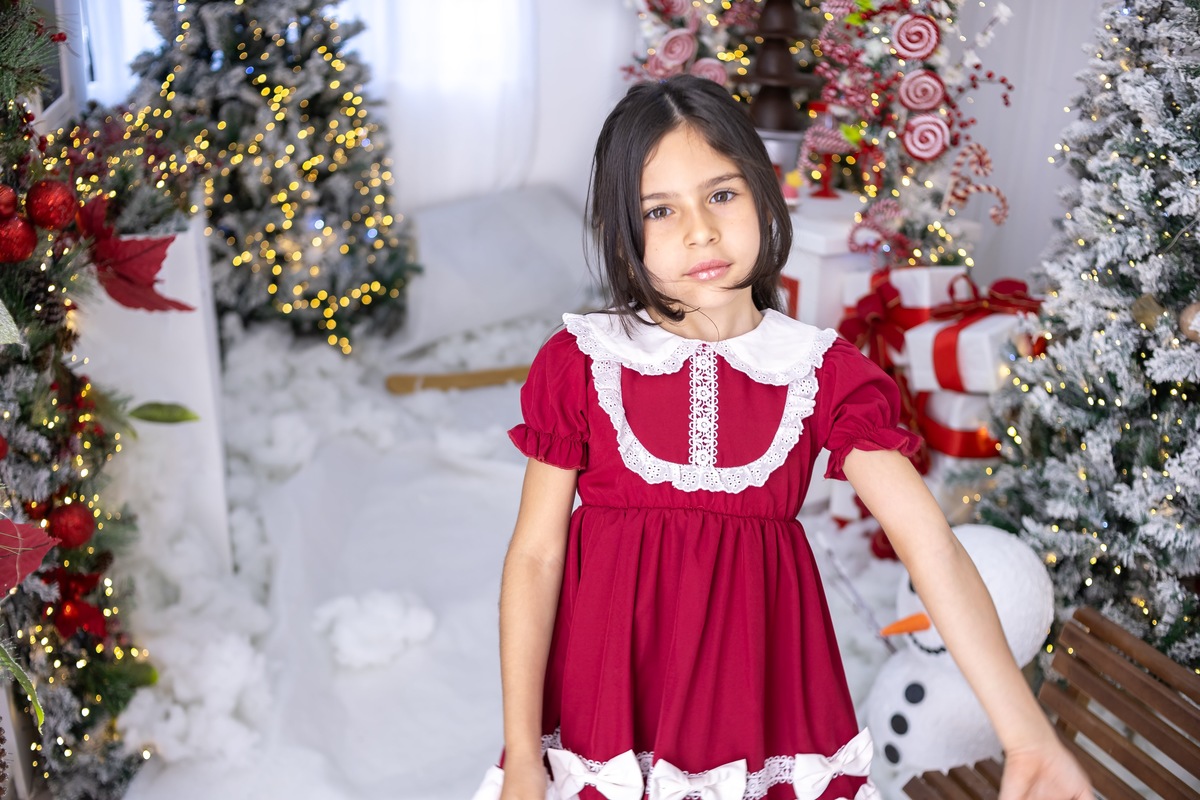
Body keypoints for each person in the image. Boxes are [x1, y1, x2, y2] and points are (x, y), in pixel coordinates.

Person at [479, 75, 1094, 800]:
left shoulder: (823, 375)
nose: (699, 230)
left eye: (721, 194)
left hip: (756, 718)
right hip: (607, 708)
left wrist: (1026, 737)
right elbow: (537, 556)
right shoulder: (582, 363)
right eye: (659, 210)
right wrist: (524, 751)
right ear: (621, 231)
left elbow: (931, 546)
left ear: (764, 194)